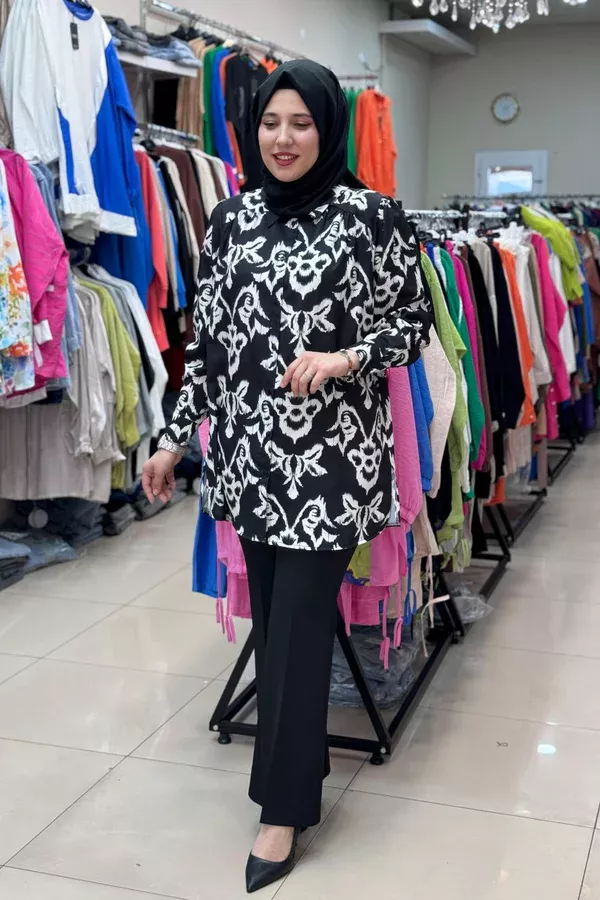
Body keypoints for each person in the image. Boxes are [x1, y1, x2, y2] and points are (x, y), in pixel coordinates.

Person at [142, 59, 432, 894]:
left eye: (301, 123)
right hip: (250, 464)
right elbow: (208, 348)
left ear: (328, 128)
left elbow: (413, 323)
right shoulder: (231, 220)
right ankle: (292, 773)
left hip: (332, 467)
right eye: (271, 122)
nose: (283, 138)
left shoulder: (373, 217)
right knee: (276, 629)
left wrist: (346, 357)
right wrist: (171, 441)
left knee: (301, 626)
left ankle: (283, 807)